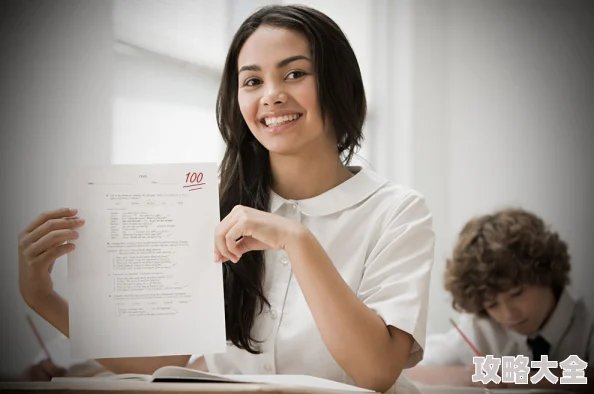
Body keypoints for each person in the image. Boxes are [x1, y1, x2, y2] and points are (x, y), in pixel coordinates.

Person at [17, 5, 434, 393]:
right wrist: (44, 299)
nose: (271, 95)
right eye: (252, 81)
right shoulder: (208, 206)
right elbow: (163, 361)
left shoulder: (397, 211)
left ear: (337, 83)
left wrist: (297, 240)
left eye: (294, 74)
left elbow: (377, 371)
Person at [407, 208, 593, 391]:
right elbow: (406, 371)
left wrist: (516, 376)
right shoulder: (482, 328)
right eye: (492, 304)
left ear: (546, 274)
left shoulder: (588, 324)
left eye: (517, 293)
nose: (508, 314)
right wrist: (471, 376)